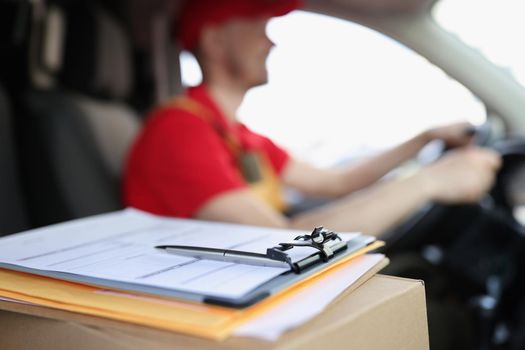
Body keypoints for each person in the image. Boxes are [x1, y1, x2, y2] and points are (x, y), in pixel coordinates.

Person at [123, 0, 501, 237]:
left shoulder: (238, 136)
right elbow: (283, 241)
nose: (271, 42)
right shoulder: (179, 130)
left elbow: (338, 182)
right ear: (214, 41)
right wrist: (429, 183)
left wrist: (424, 137)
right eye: (258, 27)